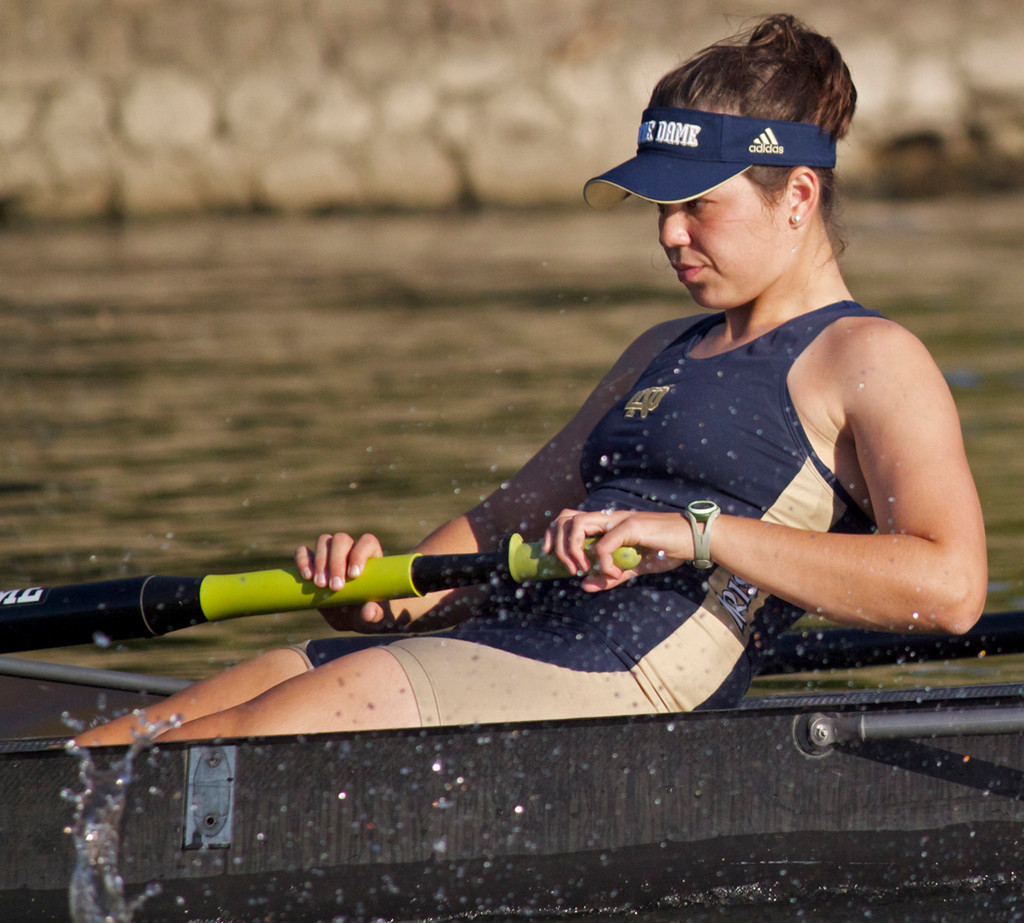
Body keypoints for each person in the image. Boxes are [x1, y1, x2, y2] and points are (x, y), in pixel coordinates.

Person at [77, 13, 986, 747]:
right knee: (121, 742)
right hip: (505, 640)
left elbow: (949, 588)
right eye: (661, 208)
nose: (670, 233)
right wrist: (377, 587)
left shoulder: (870, 356)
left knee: (231, 739)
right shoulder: (658, 348)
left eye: (698, 205)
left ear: (797, 198)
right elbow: (498, 526)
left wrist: (698, 533)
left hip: (633, 676)